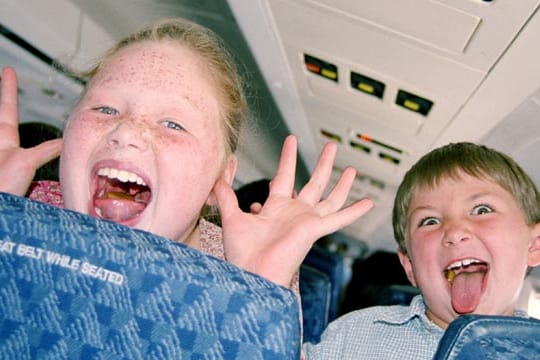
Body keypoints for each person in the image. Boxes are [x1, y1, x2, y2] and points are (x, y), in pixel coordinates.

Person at [0, 17, 373, 290]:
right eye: (105, 110)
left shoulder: (241, 268)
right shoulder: (23, 207)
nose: (127, 132)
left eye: (173, 124)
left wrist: (256, 293)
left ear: (219, 181)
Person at [302, 142, 540, 359]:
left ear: (534, 244)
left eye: (482, 209)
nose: (455, 232)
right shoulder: (356, 336)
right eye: (429, 221)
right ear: (410, 267)